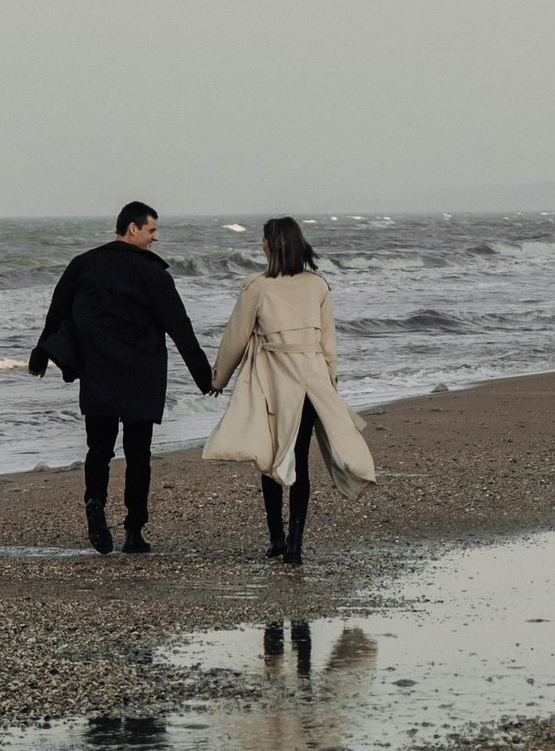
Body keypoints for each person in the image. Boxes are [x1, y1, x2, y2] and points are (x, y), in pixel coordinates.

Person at [30, 201, 213, 554]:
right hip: (141, 374)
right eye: (151, 230)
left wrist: (40, 354)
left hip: (98, 371)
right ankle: (133, 530)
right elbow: (180, 326)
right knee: (138, 454)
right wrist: (205, 378)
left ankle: (95, 502)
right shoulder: (153, 274)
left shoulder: (84, 264)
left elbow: (58, 310)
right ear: (132, 228)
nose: (155, 238)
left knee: (99, 449)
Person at [202, 217, 376, 564]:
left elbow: (235, 337)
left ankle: (277, 539)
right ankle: (294, 545)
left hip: (274, 381)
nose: (261, 245)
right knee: (299, 459)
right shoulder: (317, 285)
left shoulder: (257, 287)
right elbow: (328, 343)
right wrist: (330, 384)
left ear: (271, 245)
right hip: (312, 384)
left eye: (263, 240)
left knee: (268, 457)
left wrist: (217, 380)